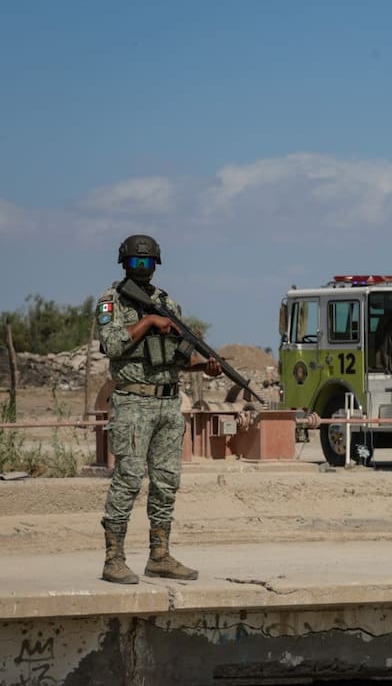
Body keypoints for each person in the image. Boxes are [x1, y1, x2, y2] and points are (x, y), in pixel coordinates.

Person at [96, 234, 221, 584]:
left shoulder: (167, 303)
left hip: (167, 403)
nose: (141, 268)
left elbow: (179, 357)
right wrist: (149, 323)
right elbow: (113, 344)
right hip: (133, 402)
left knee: (167, 481)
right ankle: (113, 559)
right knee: (129, 478)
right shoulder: (111, 302)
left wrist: (205, 365)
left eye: (147, 263)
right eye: (136, 263)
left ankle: (160, 555)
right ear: (124, 263)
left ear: (156, 265)